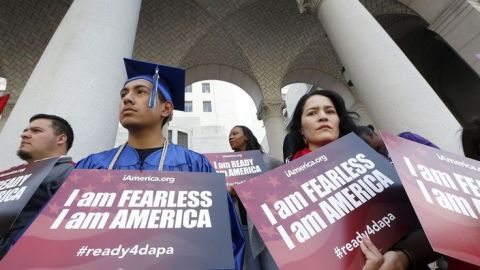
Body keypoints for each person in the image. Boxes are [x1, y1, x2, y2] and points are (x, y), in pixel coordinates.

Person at [75, 58, 244, 270]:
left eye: (140, 92)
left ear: (166, 109)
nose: (127, 99)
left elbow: (225, 239)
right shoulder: (92, 165)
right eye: (123, 94)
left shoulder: (194, 164)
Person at [0, 114, 75, 259]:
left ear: (61, 139)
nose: (24, 135)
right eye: (25, 131)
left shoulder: (72, 174)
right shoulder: (8, 175)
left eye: (36, 131)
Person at [228, 125, 282, 270]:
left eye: (235, 133)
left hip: (268, 227)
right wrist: (230, 194)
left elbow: (284, 184)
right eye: (229, 135)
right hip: (243, 226)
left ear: (246, 136)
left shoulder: (268, 161)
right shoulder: (228, 166)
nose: (230, 137)